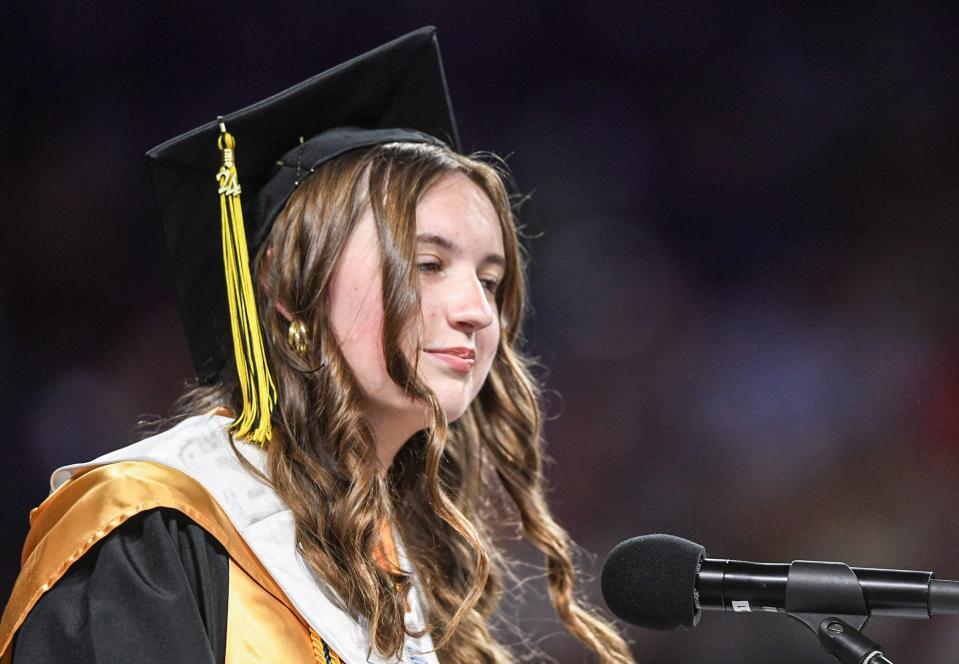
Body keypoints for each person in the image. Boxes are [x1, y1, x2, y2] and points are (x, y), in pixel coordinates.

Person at [0, 28, 633, 664]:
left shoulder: (410, 579)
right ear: (287, 281)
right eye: (427, 263)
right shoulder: (156, 535)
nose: (475, 312)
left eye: (490, 281)